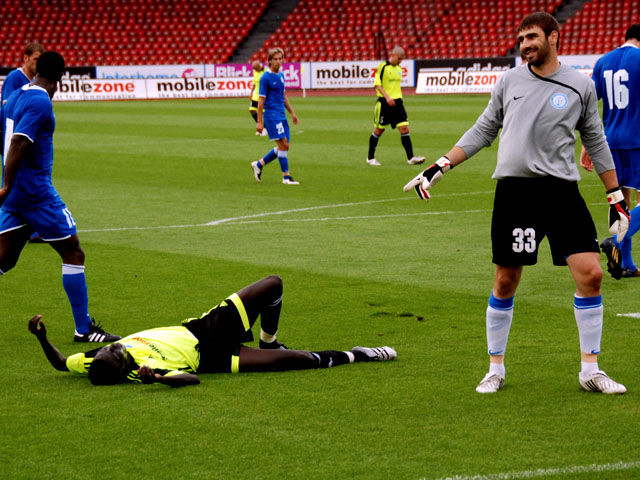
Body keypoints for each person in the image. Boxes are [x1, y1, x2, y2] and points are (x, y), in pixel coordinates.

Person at [403, 12, 628, 394]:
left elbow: (595, 139)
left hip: (561, 193)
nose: (525, 45)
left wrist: (615, 195)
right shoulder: (509, 81)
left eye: (532, 37)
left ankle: (590, 370)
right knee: (506, 280)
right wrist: (441, 165)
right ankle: (495, 369)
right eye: (522, 39)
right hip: (516, 194)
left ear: (553, 37)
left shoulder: (580, 85)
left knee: (591, 274)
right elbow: (483, 129)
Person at [28, 275, 397, 387]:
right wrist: (159, 378)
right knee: (296, 360)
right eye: (116, 351)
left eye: (109, 349)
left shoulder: (91, 363)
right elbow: (193, 381)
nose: (112, 347)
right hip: (214, 357)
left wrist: (41, 337)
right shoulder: (140, 372)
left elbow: (61, 363)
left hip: (203, 327)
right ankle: (359, 354)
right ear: (125, 367)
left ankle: (269, 340)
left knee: (273, 285)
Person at [0, 51, 120, 343]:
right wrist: (6, 184)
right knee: (73, 252)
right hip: (36, 195)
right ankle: (84, 329)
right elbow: (19, 141)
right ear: (61, 77)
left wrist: (7, 185)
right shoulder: (41, 101)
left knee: (5, 259)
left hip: (16, 197)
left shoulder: (15, 95)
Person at [580, 24, 640, 279]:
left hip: (610, 140)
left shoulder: (603, 61)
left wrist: (587, 144)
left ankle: (625, 264)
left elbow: (589, 105)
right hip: (637, 139)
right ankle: (615, 242)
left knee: (621, 202)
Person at [1, 41, 46, 243]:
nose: (38, 63)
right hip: (13, 138)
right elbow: (8, 109)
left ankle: (28, 228)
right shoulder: (15, 78)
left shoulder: (35, 81)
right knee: (14, 183)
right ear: (26, 58)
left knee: (24, 182)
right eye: (35, 59)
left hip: (25, 139)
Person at [366, 46, 425, 167]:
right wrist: (387, 97)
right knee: (379, 130)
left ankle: (411, 158)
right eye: (399, 59)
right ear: (392, 55)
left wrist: (395, 98)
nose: (400, 61)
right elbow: (377, 84)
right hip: (384, 103)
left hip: (398, 103)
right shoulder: (383, 66)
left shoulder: (399, 68)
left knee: (404, 129)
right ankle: (370, 158)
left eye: (402, 59)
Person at [250, 48, 300, 185]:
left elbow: (283, 96)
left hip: (282, 115)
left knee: (285, 146)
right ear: (270, 61)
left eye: (280, 59)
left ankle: (259, 164)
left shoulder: (281, 76)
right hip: (271, 116)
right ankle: (286, 177)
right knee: (283, 145)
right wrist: (259, 122)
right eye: (275, 59)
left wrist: (292, 113)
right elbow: (261, 101)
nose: (278, 61)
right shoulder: (265, 77)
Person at [249, 60, 267, 136]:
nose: (255, 70)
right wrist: (251, 92)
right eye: (254, 68)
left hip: (263, 95)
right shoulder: (255, 72)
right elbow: (254, 83)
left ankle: (265, 129)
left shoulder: (266, 72)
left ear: (259, 66)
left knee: (263, 112)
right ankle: (260, 126)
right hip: (256, 95)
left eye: (256, 68)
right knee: (252, 110)